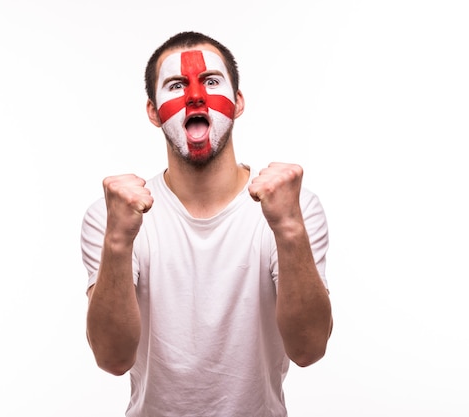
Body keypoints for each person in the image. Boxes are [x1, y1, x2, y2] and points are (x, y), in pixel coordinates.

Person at [80, 31, 333, 417]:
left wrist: (289, 229)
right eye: (177, 84)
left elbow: (309, 349)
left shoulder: (294, 207)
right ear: (153, 111)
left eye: (211, 82)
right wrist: (117, 240)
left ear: (238, 102)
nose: (195, 96)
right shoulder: (112, 214)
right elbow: (113, 359)